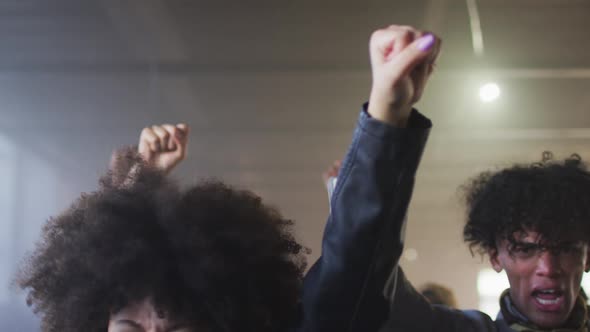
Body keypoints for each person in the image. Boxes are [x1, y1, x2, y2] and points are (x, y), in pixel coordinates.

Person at [16, 25, 441, 332]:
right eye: (129, 330)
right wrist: (138, 189)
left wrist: (387, 116)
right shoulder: (97, 278)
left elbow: (348, 275)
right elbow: (100, 258)